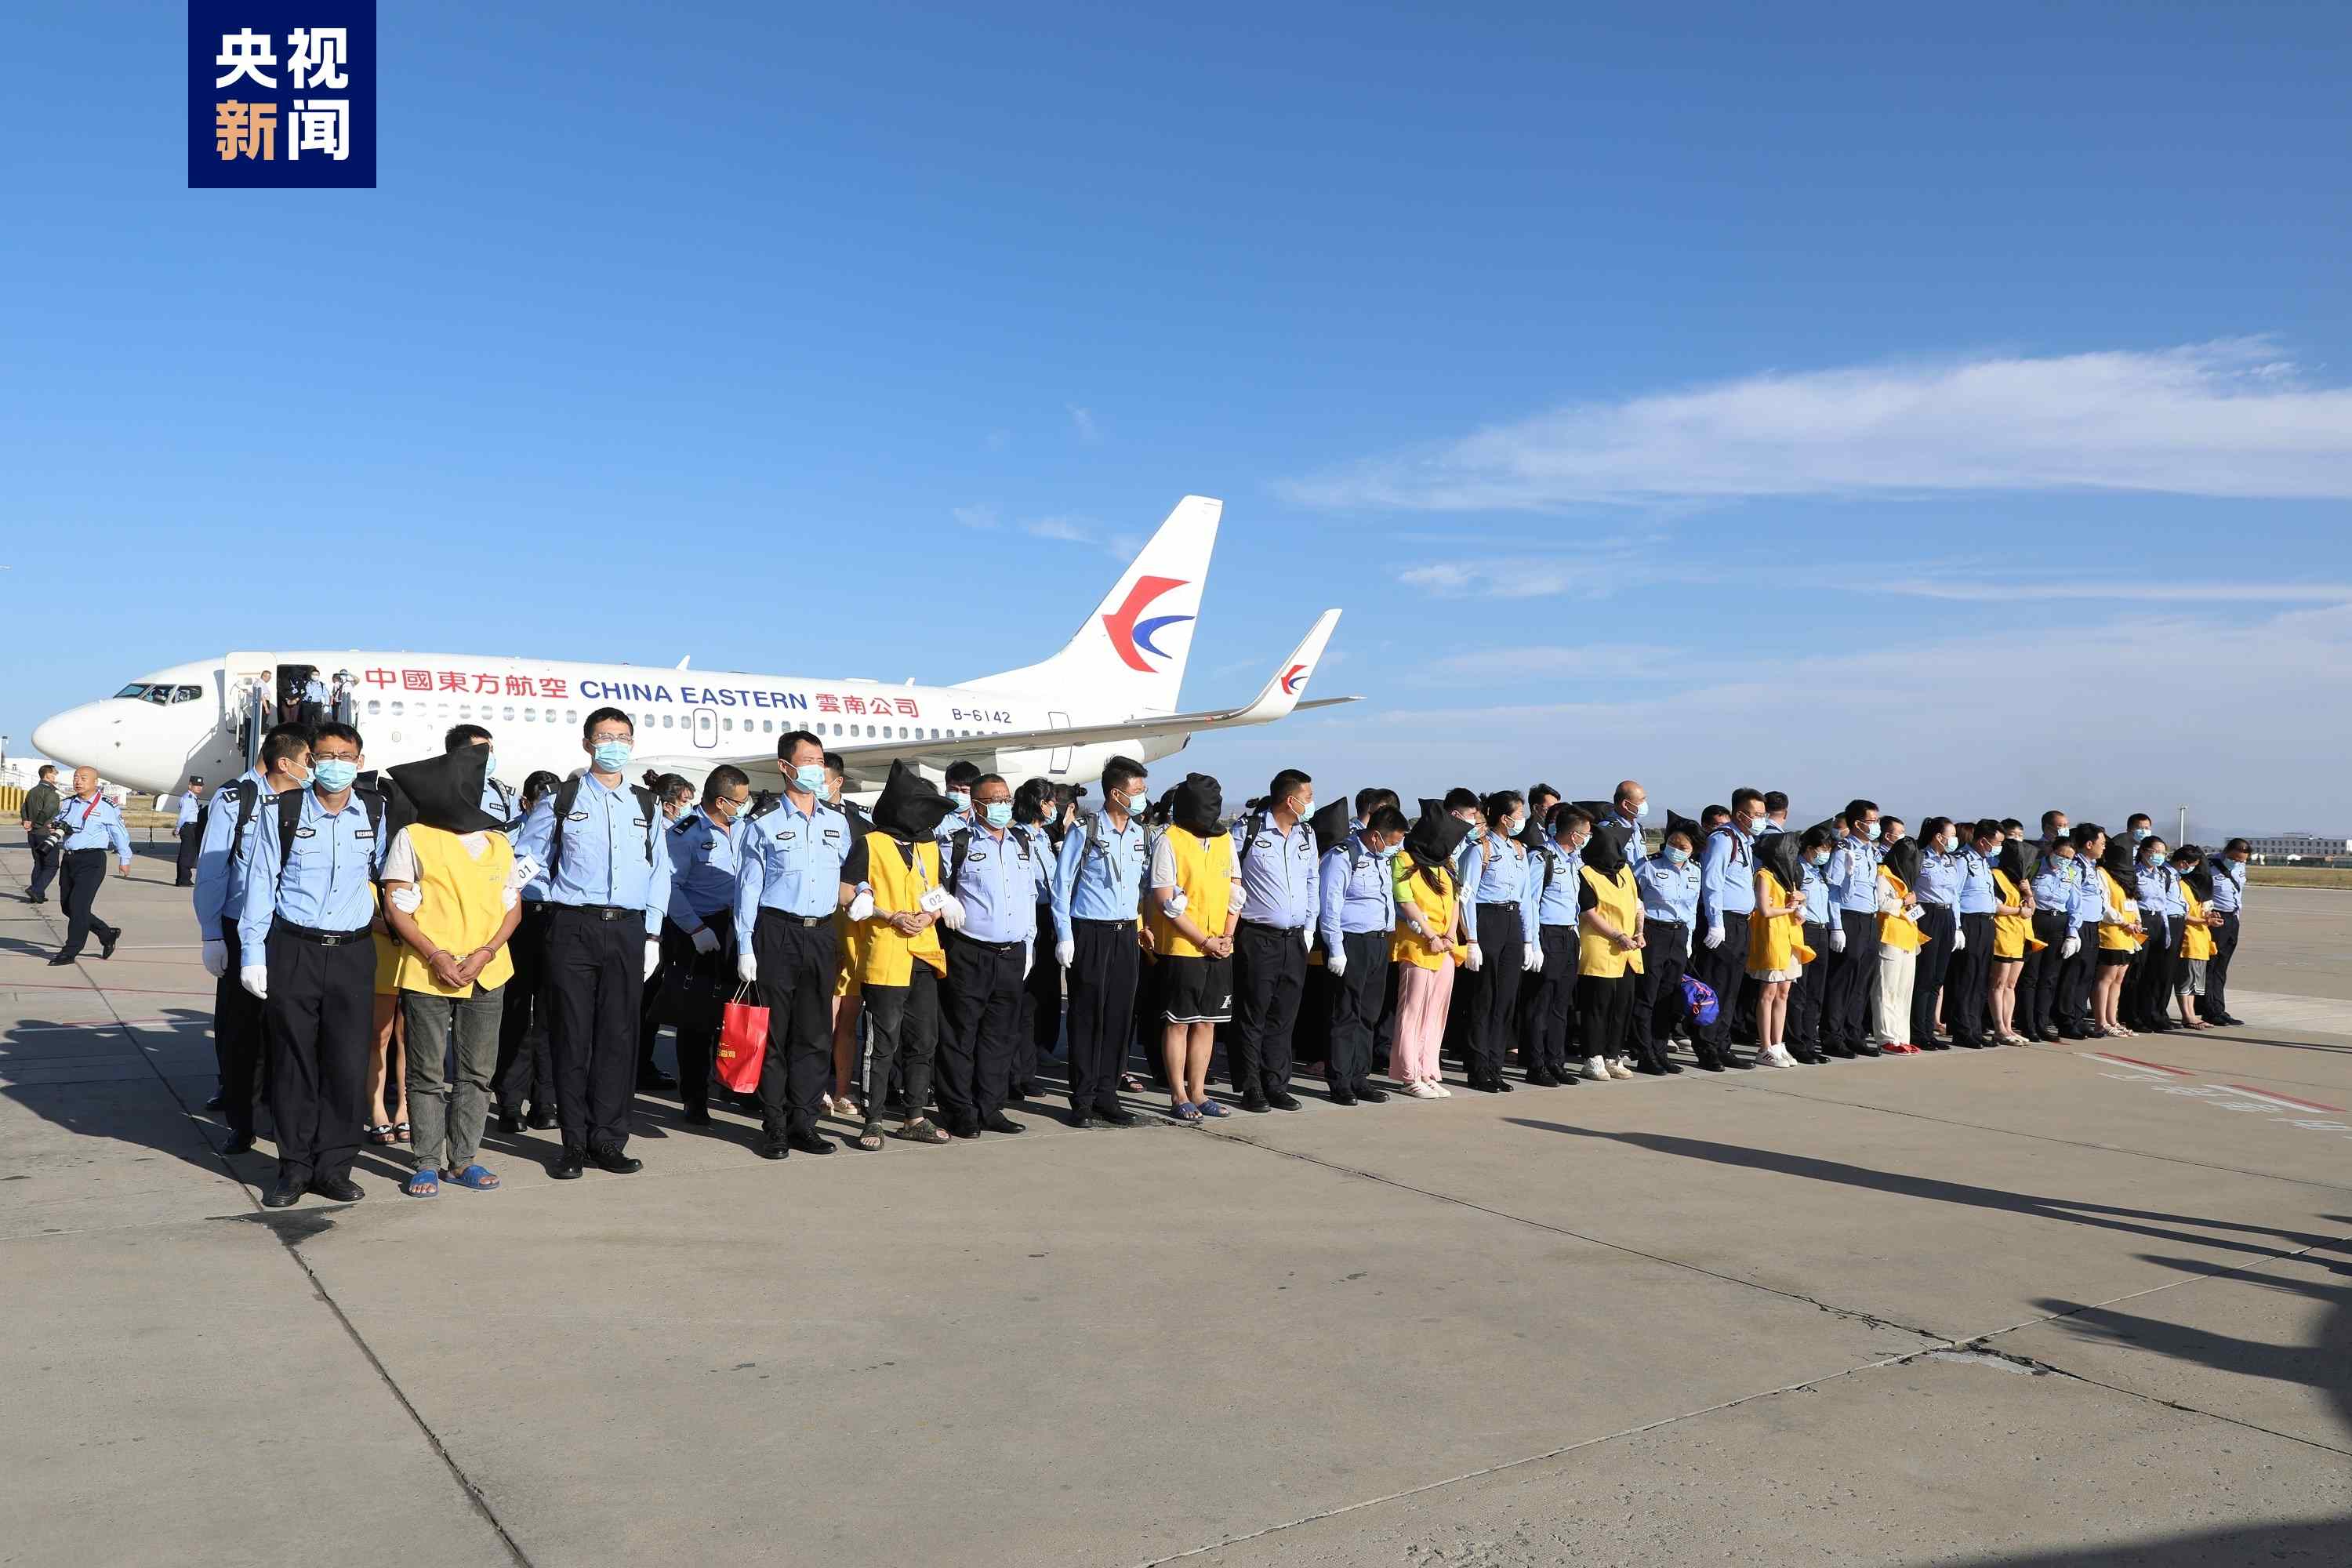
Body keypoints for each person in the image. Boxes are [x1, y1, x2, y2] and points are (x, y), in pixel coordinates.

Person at [513, 708, 674, 1178]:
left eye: (622, 737)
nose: (614, 745)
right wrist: (551, 899)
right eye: (605, 737)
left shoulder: (646, 804)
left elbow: (659, 871)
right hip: (573, 927)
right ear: (588, 744)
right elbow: (527, 859)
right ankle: (573, 1143)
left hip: (628, 929)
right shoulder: (561, 800)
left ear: (632, 743)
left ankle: (609, 1139)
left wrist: (653, 933)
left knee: (618, 1037)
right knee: (571, 1035)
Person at [238, 722, 387, 1207]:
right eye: (326, 756)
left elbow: (388, 870)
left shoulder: (376, 810)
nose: (336, 764)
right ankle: (294, 1168)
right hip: (295, 948)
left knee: (346, 1061)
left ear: (359, 762)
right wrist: (252, 953)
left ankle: (335, 1166)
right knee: (292, 1061)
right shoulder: (282, 811)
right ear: (310, 762)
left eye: (346, 756)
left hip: (353, 952)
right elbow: (261, 882)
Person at [379, 746, 523, 1199]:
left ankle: (464, 1160)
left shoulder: (498, 843)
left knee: (477, 1072)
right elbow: (396, 905)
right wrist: (436, 954)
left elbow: (512, 908)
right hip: (429, 970)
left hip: (487, 971)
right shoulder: (414, 837)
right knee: (425, 1071)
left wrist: (486, 953)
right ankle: (425, 1161)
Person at [732, 729, 862, 1159]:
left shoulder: (836, 823)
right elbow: (748, 889)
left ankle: (804, 1122)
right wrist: (745, 945)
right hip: (777, 932)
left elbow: (846, 875)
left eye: (820, 762)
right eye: (807, 762)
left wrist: (862, 893)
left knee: (815, 1033)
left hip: (821, 933)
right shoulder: (763, 824)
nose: (816, 770)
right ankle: (774, 1125)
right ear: (785, 767)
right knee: (774, 1034)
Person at [194, 724, 312, 1152]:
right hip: (241, 926)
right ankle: (241, 1121)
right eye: (309, 760)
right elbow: (213, 870)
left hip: (292, 929)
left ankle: (281, 1117)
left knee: (287, 1030)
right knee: (240, 1030)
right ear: (285, 761)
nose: (314, 768)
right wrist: (212, 934)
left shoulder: (312, 802)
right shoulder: (237, 799)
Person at [935, 773, 1051, 1137]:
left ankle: (991, 1107)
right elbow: (927, 882)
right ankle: (959, 1110)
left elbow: (1029, 895)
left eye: (1006, 799)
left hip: (1012, 954)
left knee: (1000, 1036)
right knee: (960, 1034)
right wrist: (944, 900)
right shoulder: (958, 842)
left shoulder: (1022, 842)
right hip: (970, 951)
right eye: (994, 800)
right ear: (977, 805)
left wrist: (1029, 943)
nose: (1002, 805)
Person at [850, 762, 957, 1148]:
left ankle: (915, 1116)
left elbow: (938, 890)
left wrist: (931, 914)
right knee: (882, 1043)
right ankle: (874, 1120)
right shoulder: (870, 844)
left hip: (924, 954)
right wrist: (888, 914)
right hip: (886, 954)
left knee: (924, 1040)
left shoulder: (928, 845)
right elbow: (848, 893)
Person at [1052, 757, 1151, 1128]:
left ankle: (1108, 1095)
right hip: (1090, 932)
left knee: (1119, 1017)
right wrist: (1065, 935)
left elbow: (1143, 882)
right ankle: (1082, 1099)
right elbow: (1062, 885)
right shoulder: (1086, 830)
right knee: (1086, 1016)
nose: (1141, 797)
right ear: (1115, 793)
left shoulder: (1141, 833)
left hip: (1126, 933)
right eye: (1136, 791)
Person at [1218, 769, 1319, 1111]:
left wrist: (1309, 927)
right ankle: (1251, 1086)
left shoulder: (1306, 833)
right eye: (1308, 797)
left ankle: (1276, 1083)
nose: (1311, 803)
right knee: (1253, 1014)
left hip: (1295, 939)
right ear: (1290, 801)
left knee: (1284, 1015)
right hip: (1258, 937)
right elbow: (1228, 880)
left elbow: (1312, 881)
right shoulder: (1247, 830)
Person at [1148, 774, 1242, 1121]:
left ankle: (1200, 1092)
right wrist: (1203, 940)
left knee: (1208, 1023)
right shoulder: (1170, 840)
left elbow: (1235, 889)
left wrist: (1228, 935)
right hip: (1184, 947)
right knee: (1180, 1023)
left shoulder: (1225, 839)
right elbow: (1164, 899)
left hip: (1220, 946)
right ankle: (1178, 1094)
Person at [661, 765, 751, 1125]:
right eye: (740, 802)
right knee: (697, 1019)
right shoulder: (686, 833)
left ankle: (735, 1084)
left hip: (738, 926)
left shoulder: (744, 828)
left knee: (738, 1012)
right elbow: (669, 886)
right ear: (721, 801)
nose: (744, 807)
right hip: (700, 929)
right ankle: (694, 1097)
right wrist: (695, 928)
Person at [1318, 804, 1406, 1105]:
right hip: (1352, 942)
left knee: (1368, 1014)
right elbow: (1330, 905)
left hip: (1378, 942)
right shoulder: (1343, 856)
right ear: (1376, 835)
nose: (1395, 847)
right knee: (1346, 1013)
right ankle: (1340, 1081)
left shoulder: (1381, 858)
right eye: (1393, 841)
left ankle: (1360, 1077)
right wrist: (1335, 948)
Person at [494, 770, 563, 1133]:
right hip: (522, 918)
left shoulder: (569, 826)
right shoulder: (508, 834)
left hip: (560, 917)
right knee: (516, 1013)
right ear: (527, 803)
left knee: (552, 1016)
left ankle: (545, 1100)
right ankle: (509, 1100)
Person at [1457, 790, 1539, 1092]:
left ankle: (1495, 1066)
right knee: (1484, 999)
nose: (1522, 820)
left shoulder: (1519, 850)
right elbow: (1466, 897)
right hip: (1487, 921)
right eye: (1519, 815)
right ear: (1505, 818)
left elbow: (1527, 899)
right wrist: (1472, 939)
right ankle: (1478, 1068)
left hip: (1512, 922)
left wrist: (1529, 940)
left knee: (1505, 1000)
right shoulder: (1479, 850)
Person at [1388, 804, 1469, 1098]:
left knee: (1436, 1012)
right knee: (1412, 1011)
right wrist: (1431, 934)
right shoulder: (1404, 860)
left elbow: (1456, 900)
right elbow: (1405, 900)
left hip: (1445, 947)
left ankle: (1427, 1070)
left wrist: (1449, 935)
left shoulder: (1446, 864)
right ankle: (1408, 1074)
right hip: (1417, 945)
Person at [1691, 788, 1762, 1068]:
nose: (1761, 819)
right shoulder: (1722, 840)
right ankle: (1706, 1046)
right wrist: (1715, 923)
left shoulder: (1745, 841)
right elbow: (1712, 884)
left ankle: (1722, 1044)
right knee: (1716, 985)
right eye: (1757, 814)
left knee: (1732, 988)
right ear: (1741, 814)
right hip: (1723, 922)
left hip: (1741, 923)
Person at [1518, 804, 1589, 1083]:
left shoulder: (1572, 861)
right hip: (1547, 935)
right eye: (1585, 833)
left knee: (1561, 1003)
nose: (1587, 838)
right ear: (1573, 834)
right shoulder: (1542, 858)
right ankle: (1536, 1065)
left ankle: (1555, 1061)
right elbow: (1531, 902)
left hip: (1568, 935)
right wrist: (1532, 942)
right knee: (1541, 1003)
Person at [822, 751, 874, 1116]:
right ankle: (816, 1088)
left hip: (852, 928)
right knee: (821, 1019)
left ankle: (842, 1090)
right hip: (818, 928)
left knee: (847, 1019)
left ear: (838, 781)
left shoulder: (861, 825)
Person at [1574, 822, 1646, 1080]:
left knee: (1622, 1005)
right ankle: (1592, 1057)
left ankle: (1613, 1055)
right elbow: (1588, 912)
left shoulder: (1625, 870)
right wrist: (1617, 935)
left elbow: (1638, 904)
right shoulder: (1586, 873)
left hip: (1628, 950)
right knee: (1598, 1005)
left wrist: (1639, 931)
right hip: (1601, 947)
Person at [1631, 819, 1700, 1070]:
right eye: (1672, 843)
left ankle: (1660, 1051)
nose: (1676, 849)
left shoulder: (1695, 870)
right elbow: (1633, 901)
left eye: (1682, 847)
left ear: (1693, 849)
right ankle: (1644, 1052)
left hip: (1679, 934)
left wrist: (1689, 939)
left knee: (1667, 997)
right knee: (1647, 995)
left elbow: (1691, 908)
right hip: (1653, 932)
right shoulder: (1647, 865)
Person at [47, 766, 133, 966]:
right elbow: (57, 824)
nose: (78, 781)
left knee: (79, 906)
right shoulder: (68, 803)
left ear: (95, 782)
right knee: (68, 907)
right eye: (76, 778)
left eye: (83, 778)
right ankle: (107, 933)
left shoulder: (106, 806)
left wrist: (125, 858)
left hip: (92, 860)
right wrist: (54, 827)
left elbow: (119, 833)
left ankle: (70, 951)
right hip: (69, 859)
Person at [1744, 831, 1814, 1069]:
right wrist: (1788, 908)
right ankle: (1764, 1047)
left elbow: (1800, 913)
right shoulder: (1764, 875)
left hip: (1791, 938)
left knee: (1784, 992)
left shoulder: (1789, 878)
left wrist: (1801, 902)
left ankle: (1778, 1043)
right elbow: (1765, 909)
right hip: (1772, 938)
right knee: (1769, 992)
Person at [1822, 800, 1884, 1060]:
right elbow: (1833, 891)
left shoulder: (1870, 851)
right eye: (1872, 821)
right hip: (1849, 918)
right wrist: (1837, 927)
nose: (1876, 826)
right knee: (1842, 981)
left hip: (1869, 919)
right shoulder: (1844, 850)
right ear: (1858, 823)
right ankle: (1832, 1037)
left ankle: (1853, 1033)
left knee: (1862, 981)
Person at [2025, 825, 2085, 1041]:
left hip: (2058, 924)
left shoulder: (2072, 873)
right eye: (2061, 856)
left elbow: (2075, 906)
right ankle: (2028, 1025)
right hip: (2036, 922)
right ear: (2052, 851)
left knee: (2049, 978)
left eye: (2069, 858)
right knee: (2031, 976)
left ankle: (2042, 1024)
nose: (2064, 860)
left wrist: (2072, 934)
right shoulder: (2034, 867)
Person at [1907, 817, 1963, 1051]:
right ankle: (1917, 1031)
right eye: (1952, 835)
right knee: (1925, 975)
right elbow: (1910, 891)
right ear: (1939, 837)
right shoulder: (1920, 857)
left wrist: (1958, 926)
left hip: (1947, 915)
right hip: (1926, 914)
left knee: (1938, 978)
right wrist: (1914, 919)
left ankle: (1929, 1029)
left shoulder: (1951, 860)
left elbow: (1955, 895)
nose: (1955, 840)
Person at [1947, 820, 2002, 1049]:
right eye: (1997, 843)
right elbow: (1955, 895)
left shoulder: (1984, 862)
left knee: (1980, 978)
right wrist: (1958, 927)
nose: (1998, 847)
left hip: (1987, 922)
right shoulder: (1962, 860)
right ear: (1983, 841)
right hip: (1970, 922)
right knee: (1966, 976)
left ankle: (1975, 1027)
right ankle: (1962, 1029)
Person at [1783, 826, 1836, 1063]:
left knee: (1816, 991)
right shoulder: (1797, 869)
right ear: (1809, 848)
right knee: (1799, 990)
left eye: (1828, 849)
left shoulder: (1819, 872)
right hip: (1804, 930)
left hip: (1822, 930)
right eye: (1822, 849)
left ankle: (1809, 1041)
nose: (1825, 853)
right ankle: (1795, 1042)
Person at [1987, 838, 2042, 1045]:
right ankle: (1999, 1027)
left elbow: (2032, 909)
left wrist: (2028, 893)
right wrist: (2019, 911)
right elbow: (1996, 906)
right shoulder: (1996, 875)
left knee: (2011, 985)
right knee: (1998, 984)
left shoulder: (2021, 880)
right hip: (2004, 935)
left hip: (2021, 936)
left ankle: (2008, 1027)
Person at [1872, 837, 1925, 1054]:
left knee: (1904, 991)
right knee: (1887, 989)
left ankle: (1902, 1036)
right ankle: (1887, 1037)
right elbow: (1882, 903)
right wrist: (1904, 902)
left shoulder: (1907, 879)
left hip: (1908, 937)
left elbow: (1913, 911)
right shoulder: (1883, 873)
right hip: (1890, 937)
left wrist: (1912, 905)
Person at [2130, 834, 2183, 1033]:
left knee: (2155, 972)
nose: (2159, 856)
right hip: (2142, 920)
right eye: (2155, 852)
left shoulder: (2161, 875)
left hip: (2159, 922)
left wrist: (2167, 931)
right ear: (2144, 852)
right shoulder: (2135, 874)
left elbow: (2163, 905)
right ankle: (2132, 1016)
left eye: (2163, 852)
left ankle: (2150, 1014)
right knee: (2138, 971)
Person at [2171, 846, 2223, 1030]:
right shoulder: (2181, 885)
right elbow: (2183, 914)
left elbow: (2199, 911)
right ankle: (2187, 1016)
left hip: (2201, 939)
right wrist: (2205, 920)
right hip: (2189, 939)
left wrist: (2209, 917)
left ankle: (2191, 1014)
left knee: (2195, 982)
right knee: (2186, 980)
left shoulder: (2197, 890)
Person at [2200, 839, 2249, 1027]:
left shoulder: (2240, 867)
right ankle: (2208, 1009)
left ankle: (2219, 1008)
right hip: (2216, 918)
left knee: (2221, 968)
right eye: (2234, 858)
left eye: (2242, 860)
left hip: (2232, 919)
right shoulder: (2209, 866)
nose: (2237, 862)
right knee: (2210, 967)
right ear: (2226, 851)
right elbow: (2201, 894)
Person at [20, 763, 64, 904]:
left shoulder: (32, 791)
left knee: (39, 863)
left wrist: (26, 821)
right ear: (48, 775)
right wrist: (37, 824)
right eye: (55, 773)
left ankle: (37, 894)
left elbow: (24, 808)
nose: (56, 775)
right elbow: (47, 812)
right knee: (51, 865)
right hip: (45, 833)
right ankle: (36, 890)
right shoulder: (51, 794)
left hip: (33, 834)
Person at [1602, 780, 1650, 867]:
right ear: (1626, 805)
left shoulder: (1639, 829)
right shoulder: (1607, 830)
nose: (1644, 804)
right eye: (1641, 800)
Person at [173, 778, 205, 886]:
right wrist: (178, 828)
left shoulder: (193, 798)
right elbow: (183, 816)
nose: (199, 788)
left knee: (190, 854)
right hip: (188, 827)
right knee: (187, 854)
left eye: (200, 786)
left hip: (192, 827)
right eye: (196, 785)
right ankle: (183, 879)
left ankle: (185, 878)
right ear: (190, 786)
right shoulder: (188, 798)